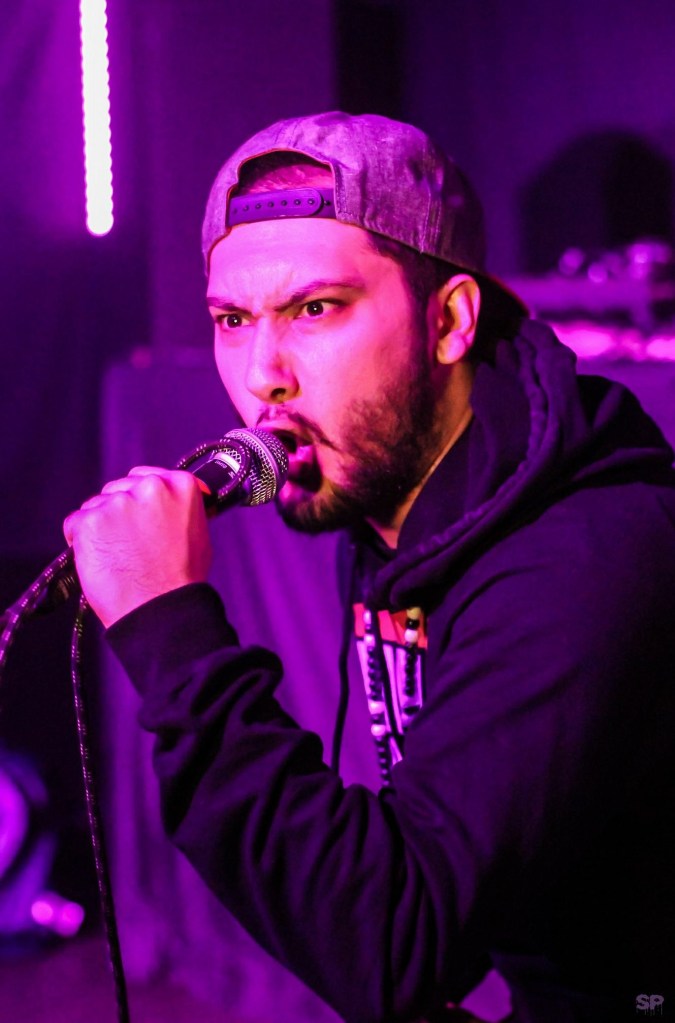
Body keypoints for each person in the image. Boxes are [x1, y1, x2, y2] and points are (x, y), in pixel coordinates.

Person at [64, 112, 675, 1022]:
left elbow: (390, 945)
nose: (264, 374)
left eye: (315, 309)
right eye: (233, 319)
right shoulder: (401, 498)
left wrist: (171, 631)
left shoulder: (578, 555)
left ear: (448, 321)